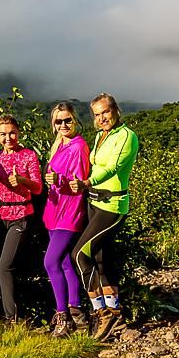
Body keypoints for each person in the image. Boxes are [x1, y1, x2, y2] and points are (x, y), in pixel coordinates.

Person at [70, 93, 139, 341]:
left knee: (79, 254)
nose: (102, 119)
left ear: (115, 111)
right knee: (101, 258)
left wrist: (87, 182)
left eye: (105, 113)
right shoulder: (100, 136)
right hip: (94, 201)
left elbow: (113, 168)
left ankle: (100, 311)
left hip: (113, 204)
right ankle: (114, 310)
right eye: (97, 115)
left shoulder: (126, 137)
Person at [42, 102, 91, 337]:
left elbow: (78, 184)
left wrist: (58, 182)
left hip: (69, 212)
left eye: (67, 120)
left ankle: (63, 316)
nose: (63, 124)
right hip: (54, 211)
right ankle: (75, 312)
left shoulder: (78, 146)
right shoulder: (59, 146)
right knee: (63, 263)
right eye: (58, 121)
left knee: (50, 262)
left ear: (75, 120)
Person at [0, 114, 42, 322]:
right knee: (4, 266)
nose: (8, 138)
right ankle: (9, 310)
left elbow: (37, 188)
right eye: (3, 134)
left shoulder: (28, 156)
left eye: (12, 133)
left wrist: (21, 180)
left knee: (4, 266)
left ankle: (12, 318)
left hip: (20, 216)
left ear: (18, 132)